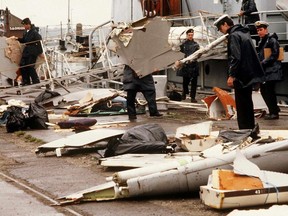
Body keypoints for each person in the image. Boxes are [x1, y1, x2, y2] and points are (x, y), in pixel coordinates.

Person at [213, 14, 264, 130]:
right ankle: (250, 128)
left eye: (220, 28)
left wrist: (232, 75)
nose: (221, 32)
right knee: (247, 103)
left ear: (225, 24)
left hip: (241, 76)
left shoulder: (234, 35)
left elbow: (235, 57)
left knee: (241, 105)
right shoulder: (244, 32)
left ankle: (244, 130)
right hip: (249, 74)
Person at [255, 20, 283, 120]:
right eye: (258, 30)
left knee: (269, 92)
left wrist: (263, 63)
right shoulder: (262, 41)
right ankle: (274, 109)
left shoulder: (272, 40)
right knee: (265, 91)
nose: (259, 32)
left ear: (266, 30)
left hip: (272, 70)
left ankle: (274, 113)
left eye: (261, 30)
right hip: (266, 71)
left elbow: (275, 54)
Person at [18, 18, 43, 85]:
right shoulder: (26, 32)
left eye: (25, 25)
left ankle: (36, 81)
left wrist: (40, 52)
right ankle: (26, 81)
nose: (24, 27)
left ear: (28, 24)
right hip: (26, 51)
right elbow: (24, 40)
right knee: (22, 65)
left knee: (30, 66)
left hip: (33, 51)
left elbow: (39, 41)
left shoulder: (34, 32)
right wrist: (17, 39)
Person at [178, 28, 200, 103]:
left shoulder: (196, 45)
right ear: (187, 35)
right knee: (185, 82)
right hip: (186, 65)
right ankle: (184, 93)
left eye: (192, 35)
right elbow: (180, 54)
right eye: (189, 35)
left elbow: (198, 55)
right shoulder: (183, 45)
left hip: (193, 65)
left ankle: (192, 97)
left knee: (194, 83)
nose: (190, 36)